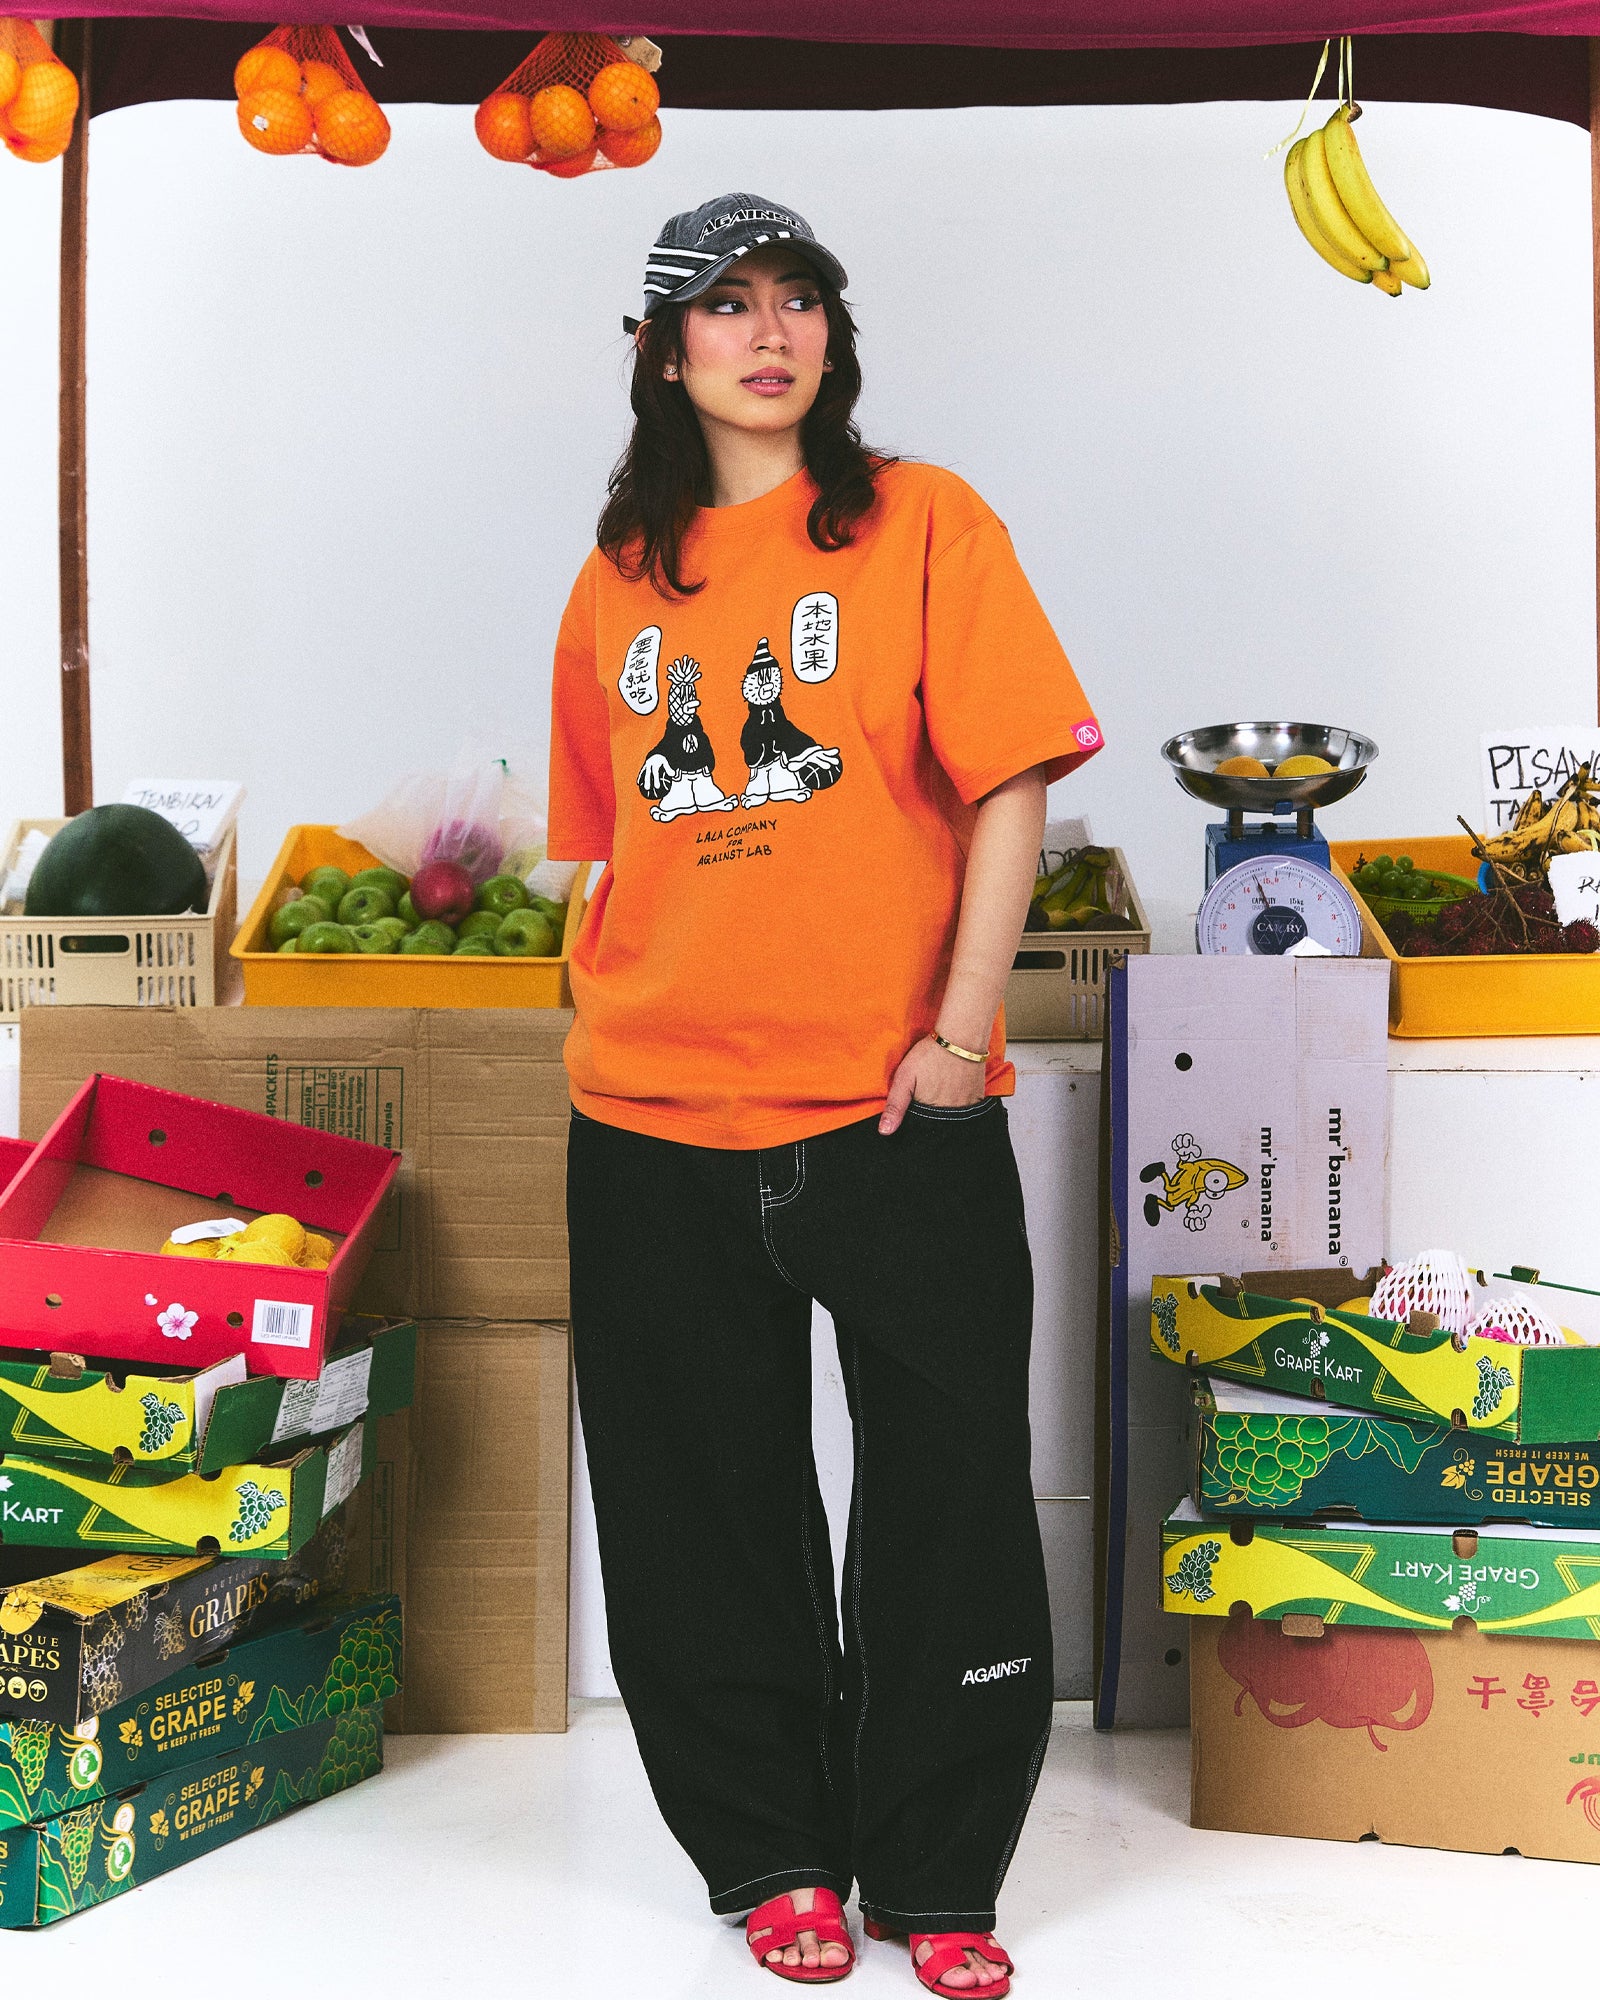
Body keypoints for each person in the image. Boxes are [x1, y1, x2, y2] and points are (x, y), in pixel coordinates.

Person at [548, 192, 1103, 1995]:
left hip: (892, 1109)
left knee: (946, 1485)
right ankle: (770, 1852)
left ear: (833, 338)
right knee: (698, 1498)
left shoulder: (922, 522)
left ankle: (940, 1873)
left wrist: (958, 1038)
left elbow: (1011, 778)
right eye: (724, 306)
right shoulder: (619, 571)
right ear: (662, 350)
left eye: (799, 301)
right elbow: (604, 848)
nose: (768, 332)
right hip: (647, 1120)